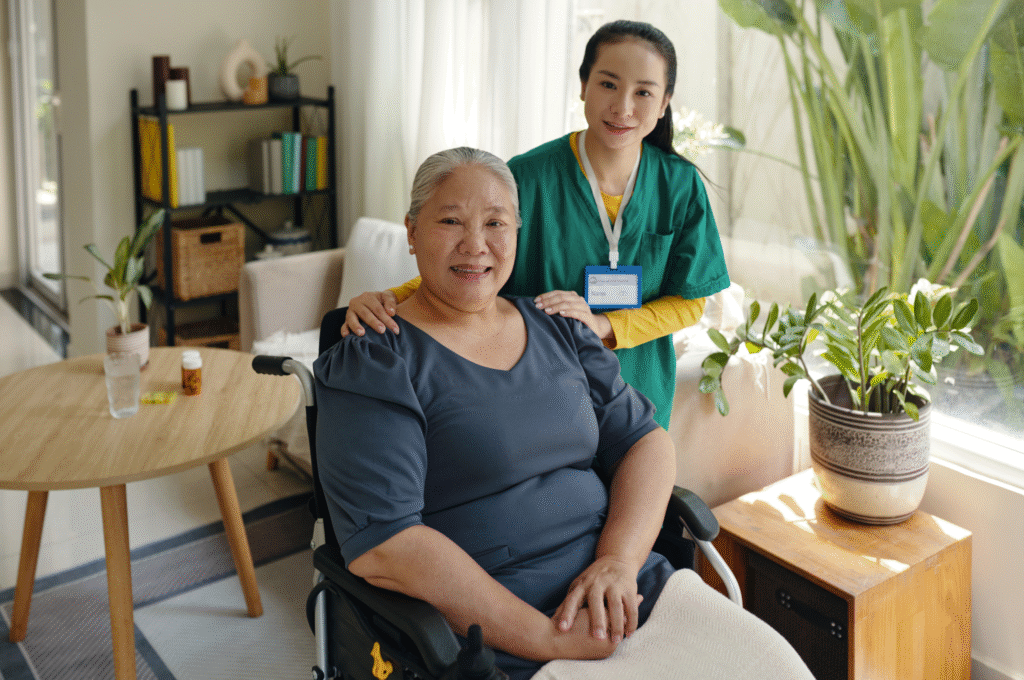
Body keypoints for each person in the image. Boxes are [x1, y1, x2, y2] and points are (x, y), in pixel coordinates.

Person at [315, 147, 678, 679]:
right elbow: (386, 546)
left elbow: (646, 441)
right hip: (498, 635)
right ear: (412, 232)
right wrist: (545, 637)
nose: (475, 245)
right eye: (450, 221)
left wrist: (619, 562)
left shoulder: (562, 326)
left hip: (625, 591)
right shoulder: (375, 357)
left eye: (495, 223)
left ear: (517, 232)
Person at [340, 20, 729, 430]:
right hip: (542, 390)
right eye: (608, 84)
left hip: (640, 392)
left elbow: (690, 300)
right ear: (583, 86)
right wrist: (387, 299)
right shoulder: (525, 177)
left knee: (640, 483)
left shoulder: (679, 184)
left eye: (644, 92)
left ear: (665, 102)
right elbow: (476, 264)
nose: (623, 107)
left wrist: (605, 324)